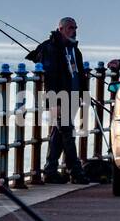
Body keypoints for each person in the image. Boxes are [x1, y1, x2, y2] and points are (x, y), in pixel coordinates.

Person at [27, 16, 89, 184]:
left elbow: (79, 74)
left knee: (59, 134)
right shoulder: (51, 49)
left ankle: (50, 170)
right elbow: (51, 79)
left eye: (75, 28)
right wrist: (55, 103)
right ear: (60, 29)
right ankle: (76, 172)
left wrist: (83, 95)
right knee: (67, 134)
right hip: (60, 99)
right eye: (70, 28)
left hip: (74, 97)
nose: (74, 31)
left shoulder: (74, 50)